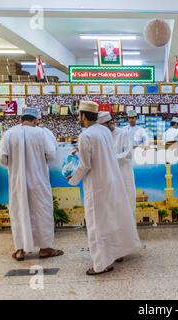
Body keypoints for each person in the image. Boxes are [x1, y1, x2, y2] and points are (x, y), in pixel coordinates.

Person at [67, 101, 141, 275]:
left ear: (83, 116)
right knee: (110, 221)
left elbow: (85, 165)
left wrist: (73, 178)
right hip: (111, 182)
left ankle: (101, 264)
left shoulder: (86, 135)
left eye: (79, 114)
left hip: (96, 185)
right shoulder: (104, 132)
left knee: (97, 225)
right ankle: (114, 253)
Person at [0, 107, 64, 261]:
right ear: (35, 120)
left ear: (21, 120)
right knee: (42, 212)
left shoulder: (9, 134)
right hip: (38, 181)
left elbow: (2, 159)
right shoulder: (41, 133)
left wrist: (15, 166)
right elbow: (51, 154)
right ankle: (45, 249)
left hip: (17, 182)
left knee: (19, 213)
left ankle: (20, 250)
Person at [97, 111, 136, 213]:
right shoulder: (102, 136)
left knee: (127, 200)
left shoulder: (123, 133)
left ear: (110, 123)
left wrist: (112, 158)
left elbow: (128, 154)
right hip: (109, 174)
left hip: (123, 172)